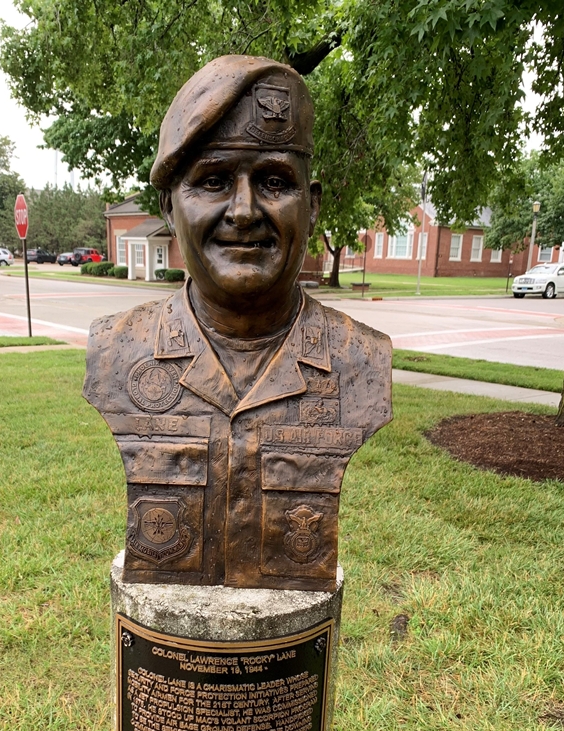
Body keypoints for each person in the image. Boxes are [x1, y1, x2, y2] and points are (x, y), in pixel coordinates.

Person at [83, 55, 391, 591]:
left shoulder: (361, 359)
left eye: (274, 181)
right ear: (168, 205)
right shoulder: (116, 349)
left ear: (312, 206)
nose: (244, 210)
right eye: (213, 181)